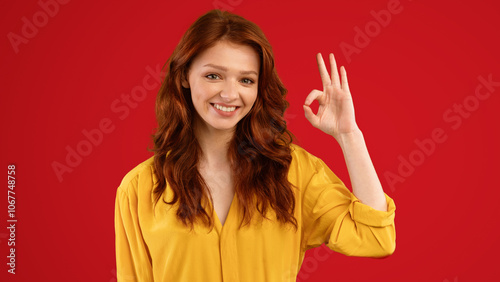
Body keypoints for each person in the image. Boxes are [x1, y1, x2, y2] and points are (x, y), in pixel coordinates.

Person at [114, 9, 396, 282]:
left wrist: (349, 135)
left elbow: (376, 238)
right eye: (214, 75)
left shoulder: (294, 173)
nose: (229, 93)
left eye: (246, 80)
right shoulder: (139, 190)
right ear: (186, 74)